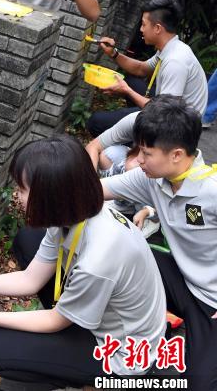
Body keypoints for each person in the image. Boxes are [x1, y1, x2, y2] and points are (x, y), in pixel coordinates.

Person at [0, 135, 166, 389]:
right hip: (104, 318)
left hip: (122, 352)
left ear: (49, 195)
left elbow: (56, 320)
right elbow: (30, 279)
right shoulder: (76, 211)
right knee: (30, 239)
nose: (16, 195)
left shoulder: (98, 260)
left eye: (22, 189)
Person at [101, 98, 217, 391]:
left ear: (177, 154)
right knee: (113, 260)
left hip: (212, 301)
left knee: (199, 384)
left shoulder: (212, 191)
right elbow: (99, 189)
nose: (138, 159)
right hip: (180, 277)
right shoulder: (152, 179)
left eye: (147, 153)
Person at [87, 0, 208, 137]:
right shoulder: (169, 47)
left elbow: (164, 113)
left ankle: (139, 144)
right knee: (131, 82)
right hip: (170, 109)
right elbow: (141, 69)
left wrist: (126, 91)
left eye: (144, 24)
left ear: (157, 28)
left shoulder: (176, 62)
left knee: (96, 122)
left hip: (177, 128)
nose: (141, 29)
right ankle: (136, 132)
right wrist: (113, 53)